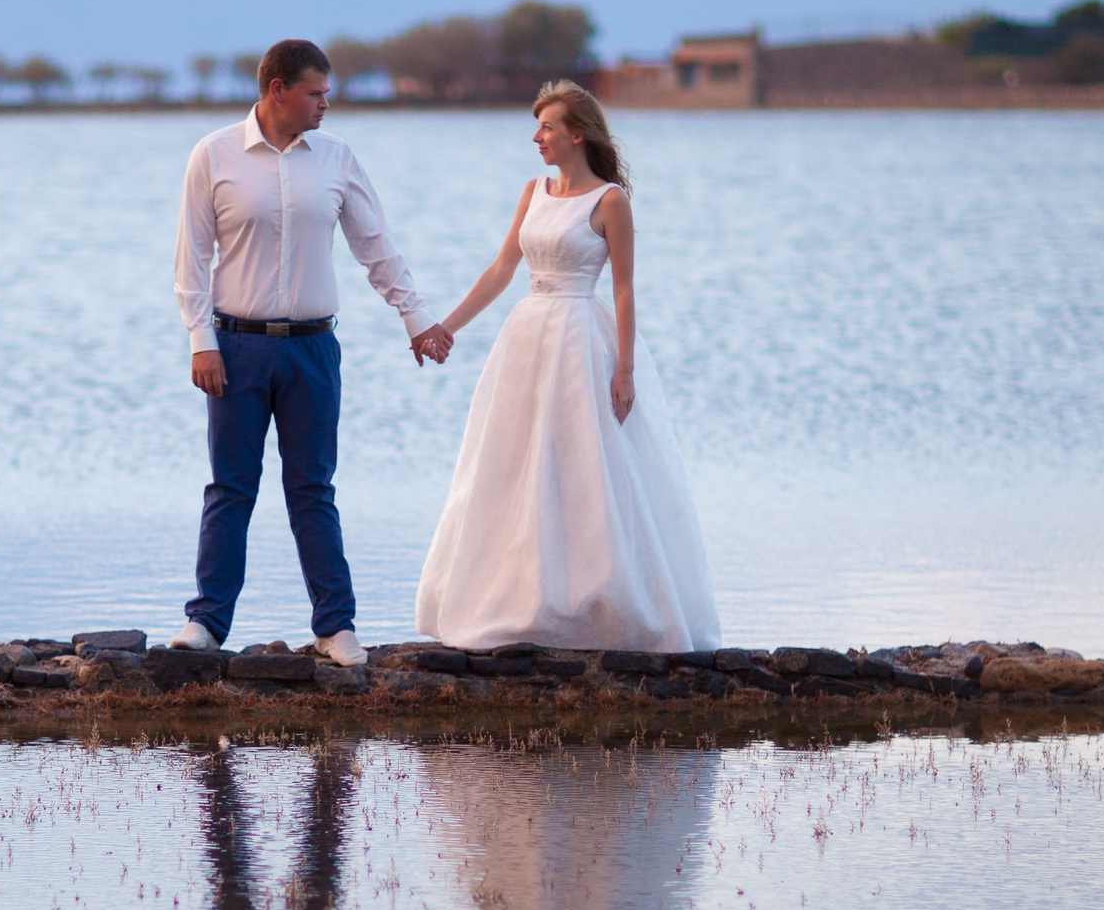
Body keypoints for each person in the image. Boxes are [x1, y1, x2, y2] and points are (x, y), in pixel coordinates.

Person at [168, 40, 451, 665]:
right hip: (236, 348)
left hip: (313, 350)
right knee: (230, 488)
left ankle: (335, 626)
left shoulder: (336, 158)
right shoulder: (213, 155)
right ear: (278, 90)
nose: (327, 103)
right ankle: (206, 622)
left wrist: (415, 318)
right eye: (316, 93)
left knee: (313, 489)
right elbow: (192, 257)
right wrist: (200, 341)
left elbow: (376, 246)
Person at [412, 80, 719, 652]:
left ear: (577, 133)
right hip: (527, 339)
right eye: (537, 127)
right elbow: (502, 269)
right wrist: (445, 327)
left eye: (547, 127)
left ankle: (600, 605)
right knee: (517, 463)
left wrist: (624, 369)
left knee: (585, 467)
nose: (537, 137)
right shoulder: (533, 191)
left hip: (581, 341)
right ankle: (520, 599)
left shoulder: (610, 202)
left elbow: (623, 290)